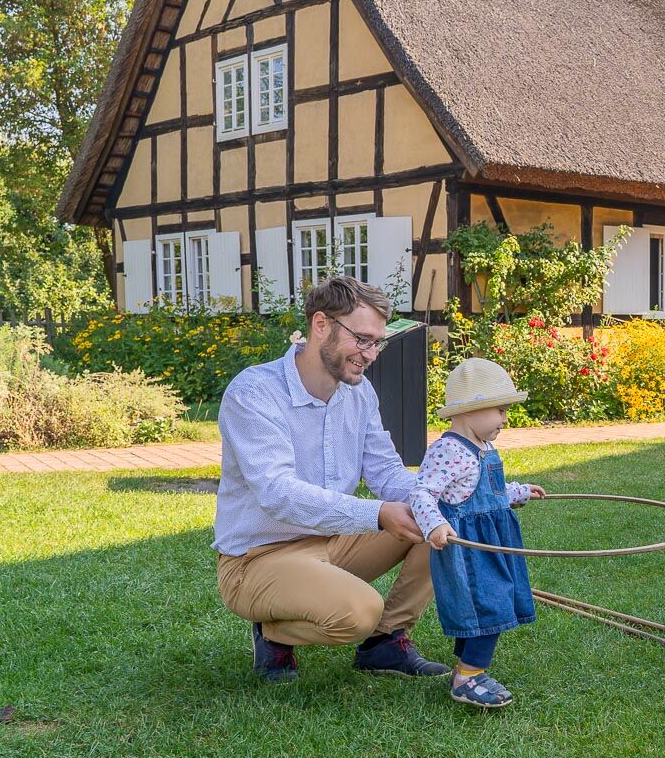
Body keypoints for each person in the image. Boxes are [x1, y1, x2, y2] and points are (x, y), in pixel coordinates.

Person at [214, 275, 448, 684]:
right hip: (258, 559)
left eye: (377, 342)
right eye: (362, 339)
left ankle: (385, 642)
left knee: (440, 518)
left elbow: (387, 472)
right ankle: (273, 630)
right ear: (320, 325)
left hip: (333, 541)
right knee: (358, 612)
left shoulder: (359, 394)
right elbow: (277, 493)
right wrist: (377, 514)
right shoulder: (253, 392)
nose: (371, 354)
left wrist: (442, 498)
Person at [411, 358, 544, 709]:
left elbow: (489, 493)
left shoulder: (483, 446)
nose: (505, 418)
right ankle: (468, 677)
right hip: (469, 550)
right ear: (471, 411)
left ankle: (468, 667)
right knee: (488, 602)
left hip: (493, 543)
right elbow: (422, 492)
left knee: (492, 600)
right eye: (500, 410)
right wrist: (435, 524)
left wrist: (518, 492)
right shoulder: (448, 450)